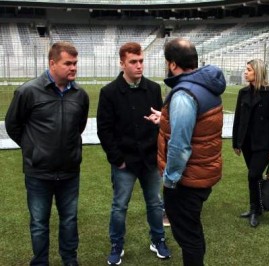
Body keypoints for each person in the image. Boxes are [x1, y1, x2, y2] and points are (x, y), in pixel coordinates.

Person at [5, 41, 89, 266]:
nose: (73, 68)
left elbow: (78, 127)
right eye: (68, 63)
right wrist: (33, 148)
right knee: (39, 222)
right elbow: (13, 125)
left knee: (69, 220)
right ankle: (40, 262)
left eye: (75, 63)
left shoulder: (81, 95)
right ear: (52, 63)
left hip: (70, 172)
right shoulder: (28, 91)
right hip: (38, 173)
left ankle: (70, 261)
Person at [145, 37, 226, 266]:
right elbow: (199, 126)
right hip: (202, 174)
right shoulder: (205, 87)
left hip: (187, 180)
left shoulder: (183, 95)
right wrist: (165, 120)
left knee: (188, 237)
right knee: (192, 231)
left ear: (172, 64)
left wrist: (170, 181)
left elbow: (180, 146)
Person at [96, 42, 171, 265]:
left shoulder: (154, 88)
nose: (139, 66)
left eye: (141, 61)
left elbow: (161, 122)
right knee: (120, 206)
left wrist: (159, 152)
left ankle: (158, 239)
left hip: (149, 160)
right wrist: (117, 159)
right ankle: (117, 245)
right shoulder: (109, 92)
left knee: (155, 203)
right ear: (122, 64)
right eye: (133, 62)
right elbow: (104, 130)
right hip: (124, 162)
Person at [232, 59, 269, 227]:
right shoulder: (243, 93)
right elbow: (238, 119)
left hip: (264, 144)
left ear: (258, 72)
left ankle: (255, 209)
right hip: (247, 143)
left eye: (248, 70)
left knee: (253, 175)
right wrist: (236, 142)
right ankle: (257, 207)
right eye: (245, 69)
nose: (245, 72)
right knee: (254, 176)